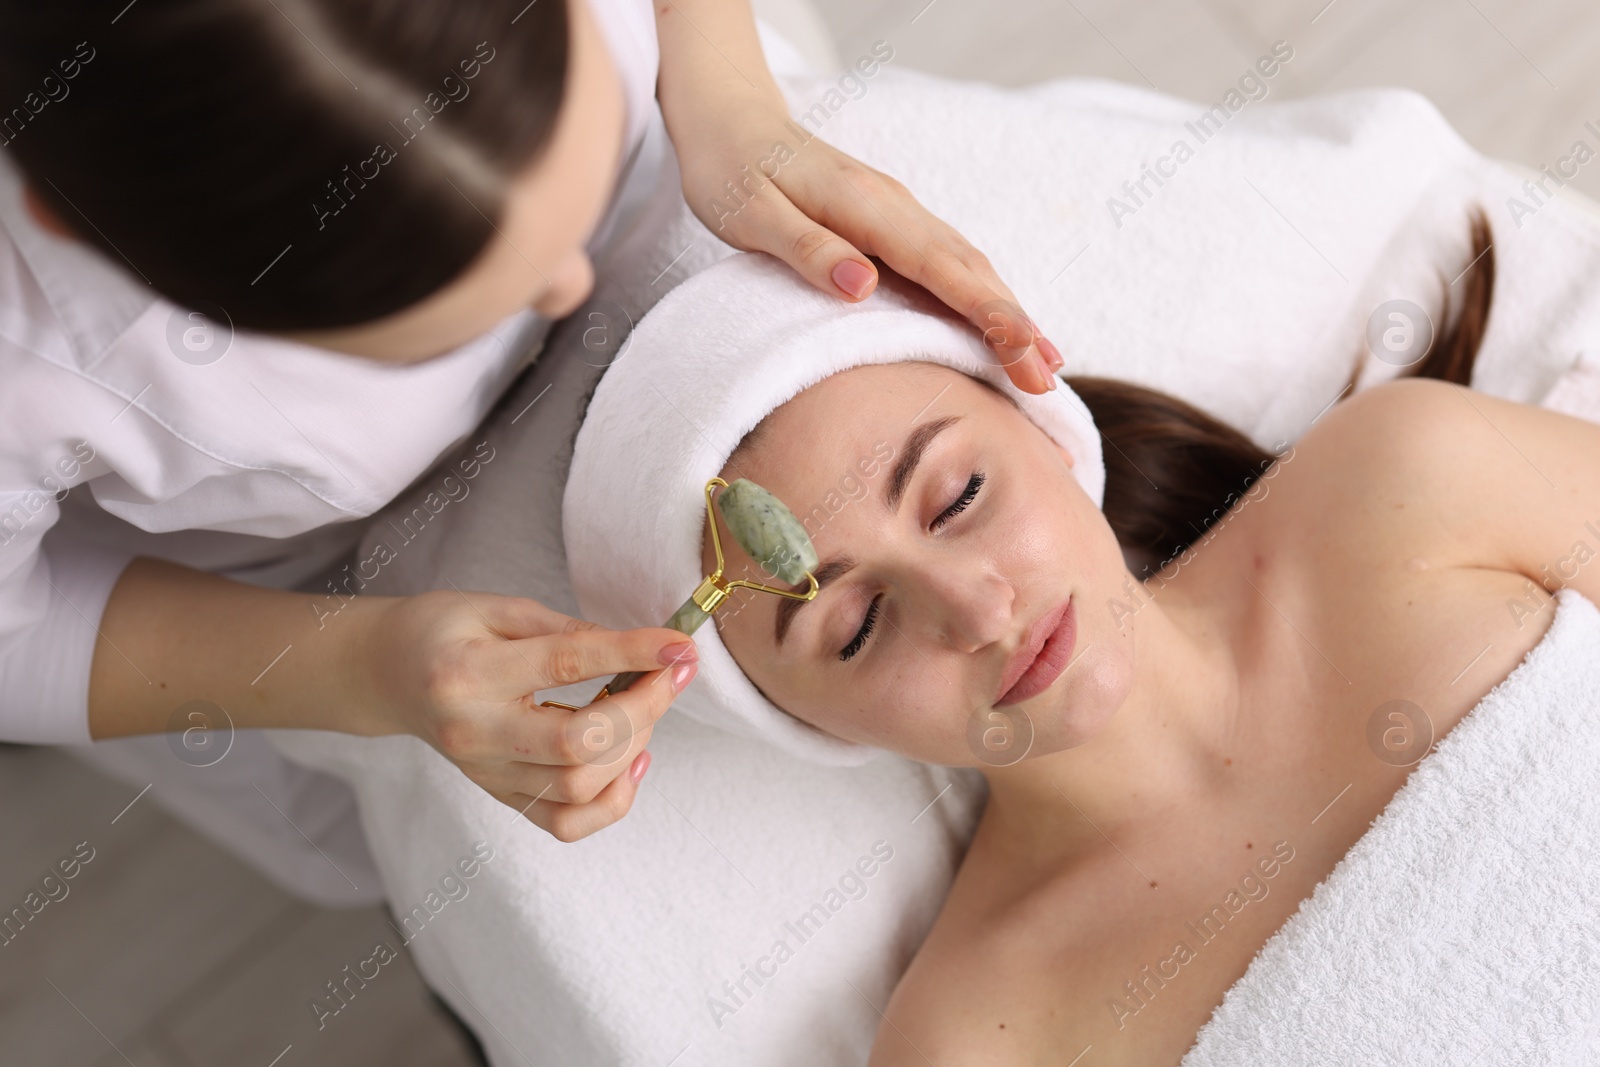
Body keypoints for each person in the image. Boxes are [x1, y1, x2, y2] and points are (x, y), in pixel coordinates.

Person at [0, 0, 1065, 899]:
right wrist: (363, 668)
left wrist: (724, 92)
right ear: (68, 223)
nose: (569, 284)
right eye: (448, 309)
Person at [620, 218, 1596, 1063]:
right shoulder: (981, 1038)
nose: (978, 611)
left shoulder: (1404, 482)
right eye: (858, 623)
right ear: (804, 719)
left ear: (1047, 428)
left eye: (958, 497)